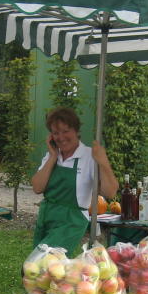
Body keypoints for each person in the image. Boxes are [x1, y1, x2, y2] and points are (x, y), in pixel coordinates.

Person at [31, 107, 118, 256]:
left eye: (65, 131)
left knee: (42, 264)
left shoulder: (89, 156)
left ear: (76, 131)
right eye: (56, 133)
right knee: (42, 272)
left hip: (71, 221)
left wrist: (103, 162)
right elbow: (37, 187)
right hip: (47, 216)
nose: (61, 137)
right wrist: (52, 157)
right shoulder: (52, 155)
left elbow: (110, 191)